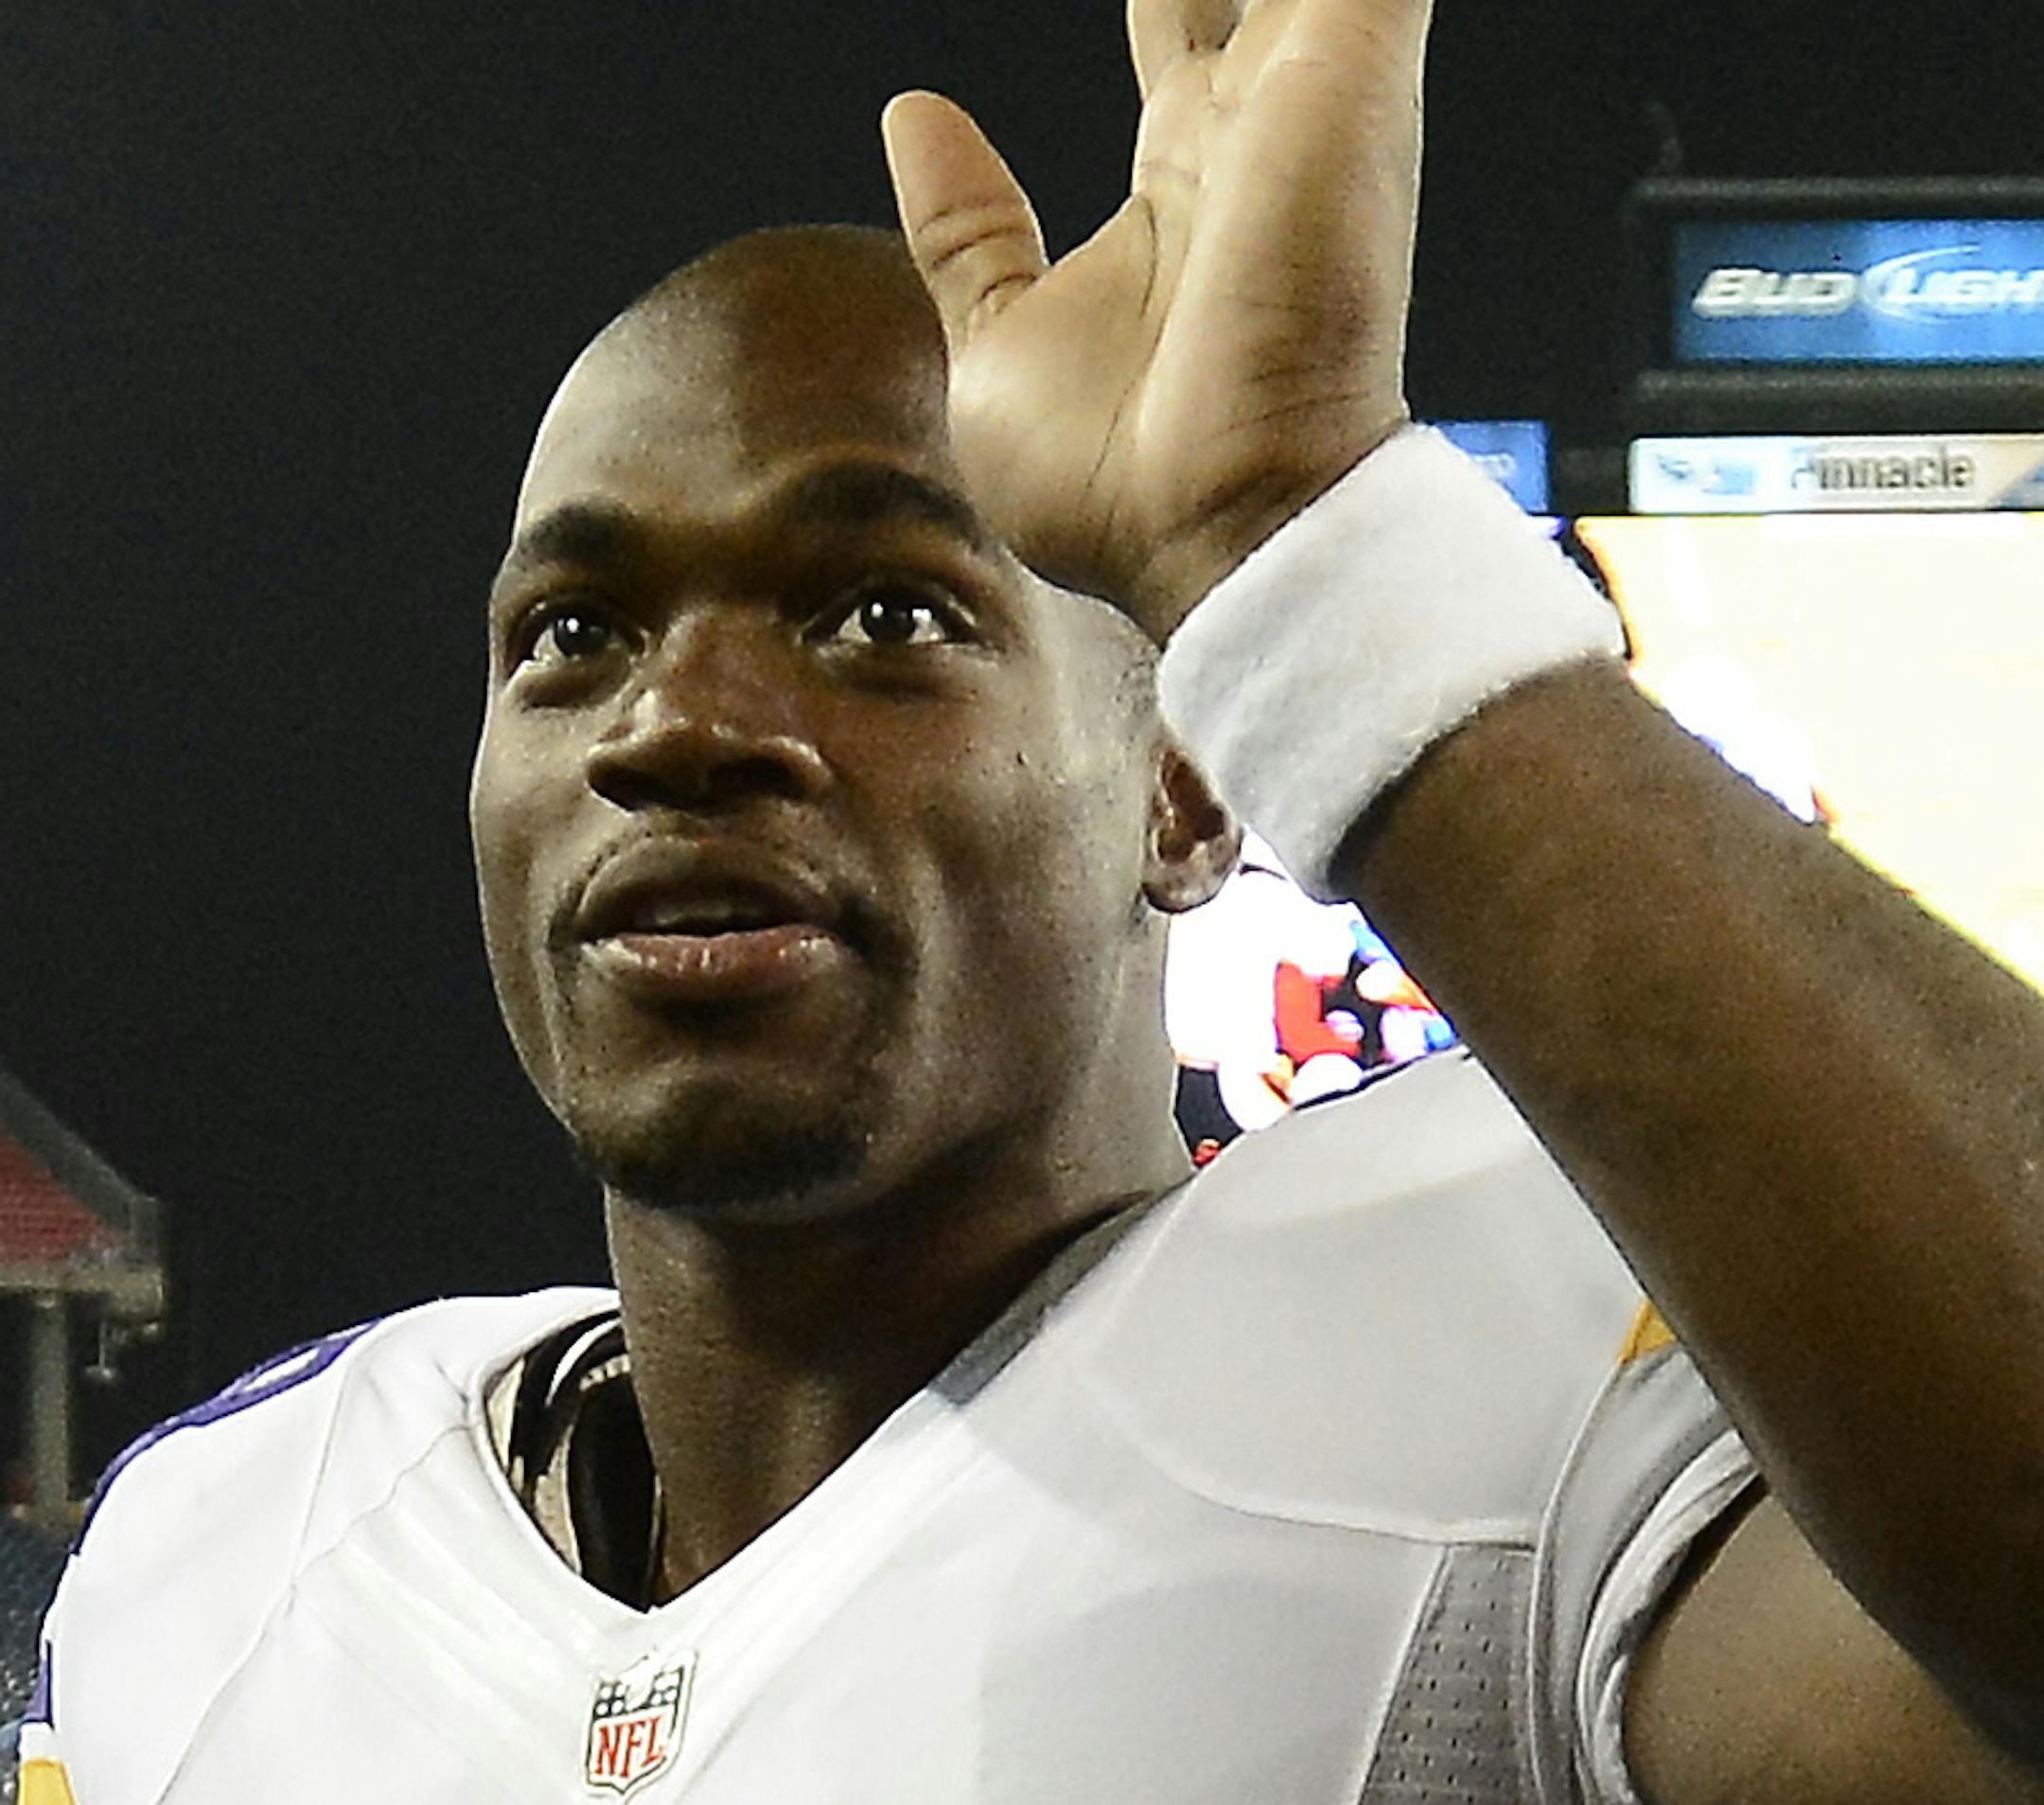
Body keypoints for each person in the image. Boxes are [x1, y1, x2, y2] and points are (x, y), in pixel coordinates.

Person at [17, 1, 2044, 1799]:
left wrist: (1314, 567)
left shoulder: (1501, 1410)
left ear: (1188, 789)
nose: (678, 722)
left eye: (886, 613)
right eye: (570, 631)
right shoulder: (229, 1550)